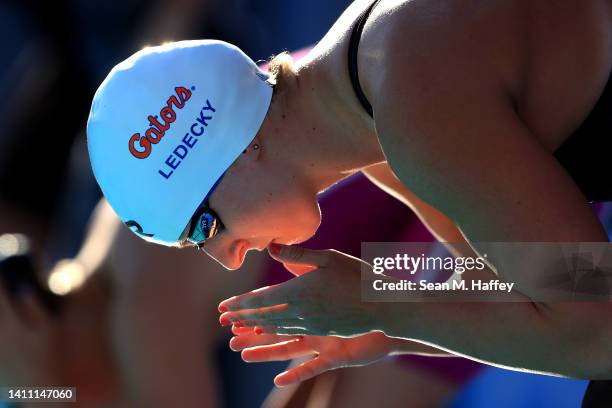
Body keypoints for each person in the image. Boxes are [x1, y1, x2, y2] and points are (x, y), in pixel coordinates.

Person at [86, 0, 612, 388]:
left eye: (203, 228)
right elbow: (530, 278)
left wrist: (393, 313)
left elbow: (598, 331)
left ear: (236, 149)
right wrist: (379, 308)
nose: (226, 259)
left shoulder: (410, 105)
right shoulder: (374, 117)